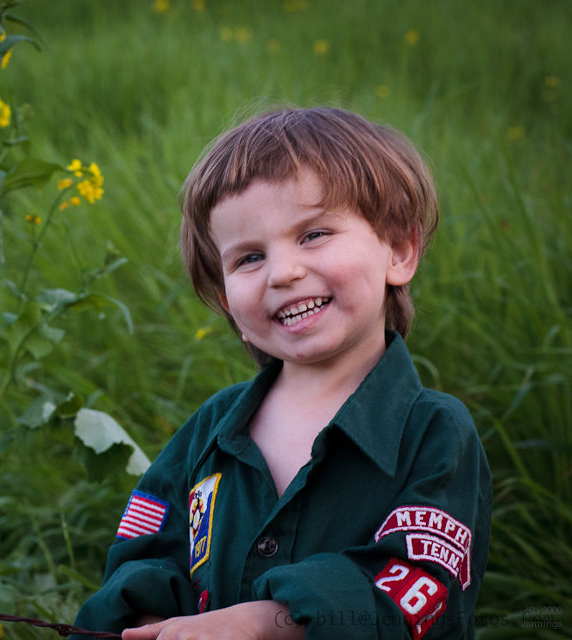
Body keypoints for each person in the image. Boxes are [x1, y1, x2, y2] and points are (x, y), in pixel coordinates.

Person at [71, 107, 492, 639]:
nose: (284, 272)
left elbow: (424, 589)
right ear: (228, 305)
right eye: (249, 258)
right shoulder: (210, 430)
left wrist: (270, 621)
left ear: (399, 251)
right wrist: (156, 623)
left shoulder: (433, 432)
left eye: (314, 234)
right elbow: (147, 553)